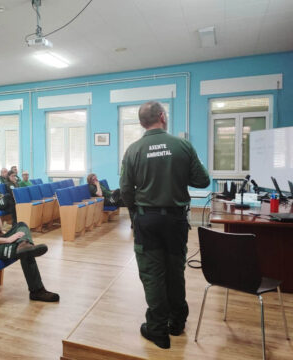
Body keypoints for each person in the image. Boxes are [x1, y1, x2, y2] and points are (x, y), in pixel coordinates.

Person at [120, 101, 210, 349]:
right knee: (174, 269)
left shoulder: (133, 150)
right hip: (176, 220)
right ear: (162, 116)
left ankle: (157, 330)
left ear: (141, 122)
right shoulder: (182, 145)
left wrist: (135, 214)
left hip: (147, 219)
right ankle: (177, 322)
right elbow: (203, 181)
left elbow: (126, 189)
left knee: (152, 273)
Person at [0, 185, 59, 302]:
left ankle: (24, 244)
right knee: (26, 253)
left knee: (21, 225)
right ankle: (37, 291)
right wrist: (7, 240)